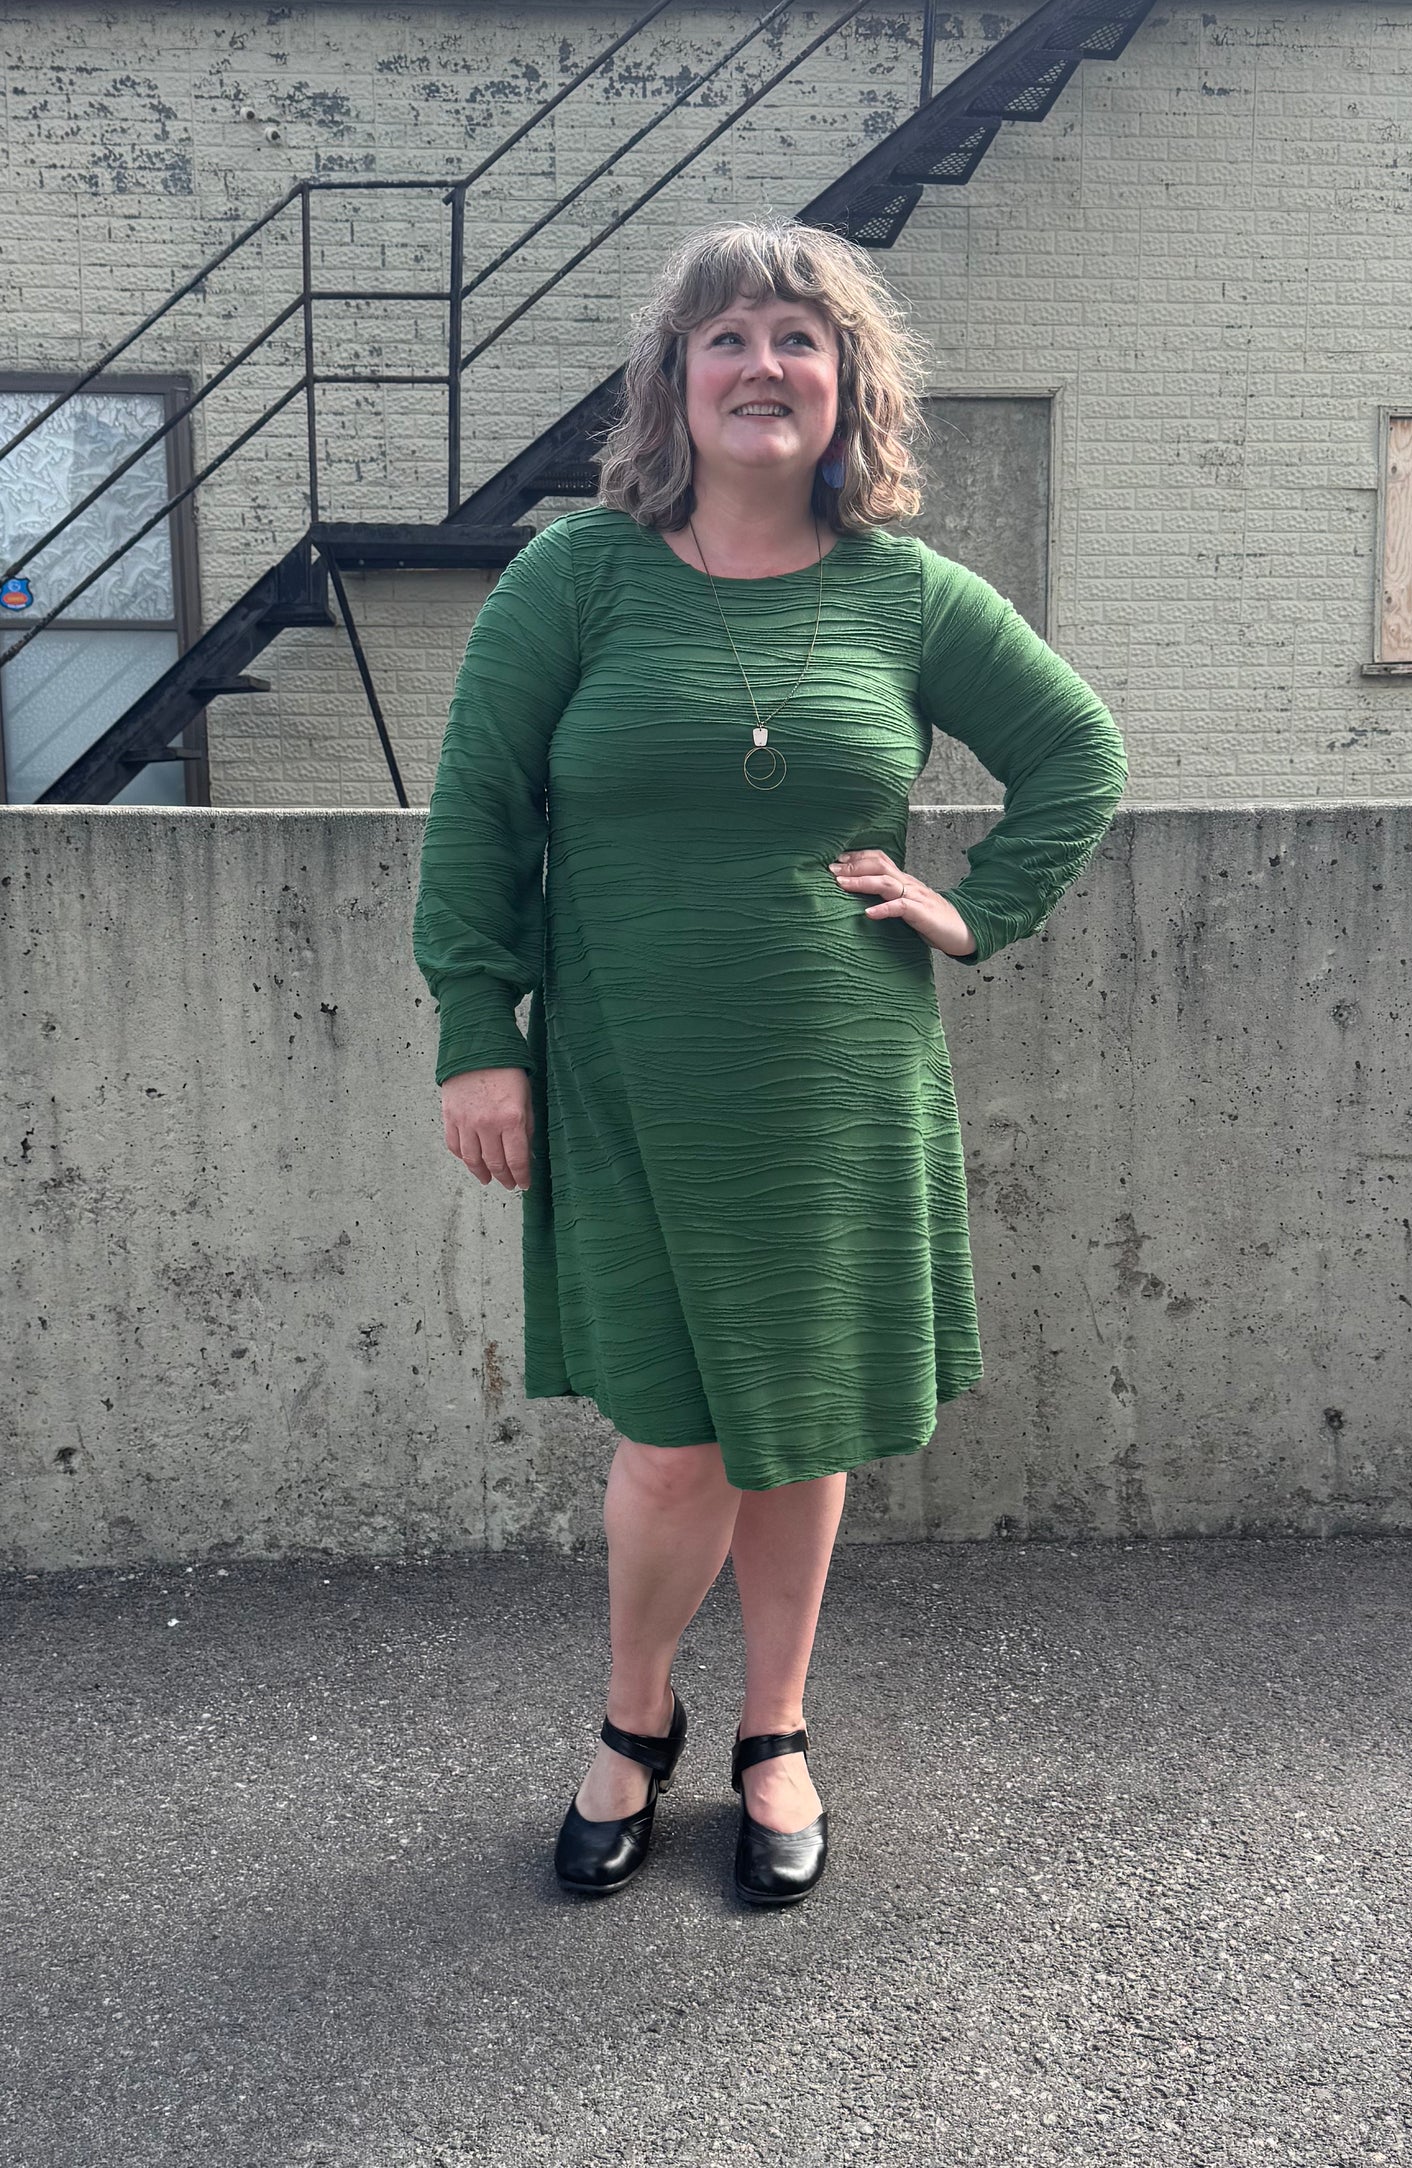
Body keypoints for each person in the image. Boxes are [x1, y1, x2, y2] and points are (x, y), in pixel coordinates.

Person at [412, 218, 1128, 1909]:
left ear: (847, 385)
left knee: (796, 1427)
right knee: (669, 1435)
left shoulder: (905, 591)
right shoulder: (572, 579)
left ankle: (776, 1731)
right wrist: (473, 1037)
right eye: (725, 336)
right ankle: (633, 1721)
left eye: (798, 339)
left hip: (830, 1073)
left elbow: (1075, 756)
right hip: (624, 1070)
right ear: (673, 378)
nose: (761, 365)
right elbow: (477, 824)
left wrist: (975, 912)